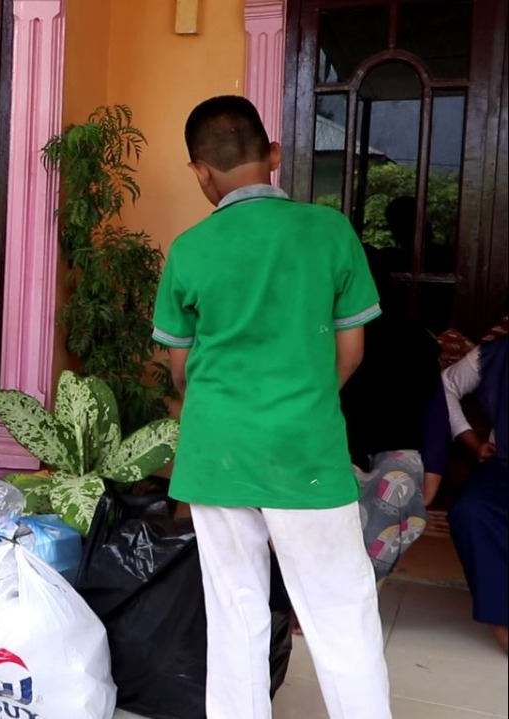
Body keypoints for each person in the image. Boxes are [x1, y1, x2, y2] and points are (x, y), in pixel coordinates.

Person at [152, 95, 391, 718]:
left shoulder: (189, 249)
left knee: (235, 614)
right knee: (341, 615)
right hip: (304, 451)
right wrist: (302, 399)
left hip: (216, 453)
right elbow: (352, 350)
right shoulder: (330, 231)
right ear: (274, 156)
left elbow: (180, 370)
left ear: (201, 172)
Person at [340, 245, 448, 583]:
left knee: (397, 481)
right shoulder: (316, 334)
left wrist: (435, 469)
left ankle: (359, 586)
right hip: (331, 447)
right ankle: (325, 592)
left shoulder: (412, 338)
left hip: (394, 449)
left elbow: (435, 409)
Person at [436, 334, 507, 654]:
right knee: (472, 510)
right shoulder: (497, 353)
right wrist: (469, 440)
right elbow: (445, 385)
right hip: (503, 466)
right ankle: (501, 619)